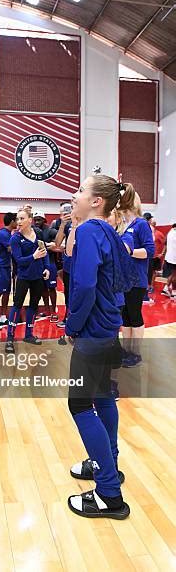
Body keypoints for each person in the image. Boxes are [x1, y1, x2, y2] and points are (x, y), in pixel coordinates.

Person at [66, 175, 135, 520]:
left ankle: (108, 492)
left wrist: (72, 325)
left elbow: (85, 284)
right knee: (103, 397)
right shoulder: (107, 230)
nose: (75, 195)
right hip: (108, 328)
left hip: (92, 331)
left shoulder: (91, 231)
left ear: (96, 201)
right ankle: (107, 464)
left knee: (79, 404)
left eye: (81, 190)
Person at [118, 187, 155, 366]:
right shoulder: (123, 225)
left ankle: (136, 353)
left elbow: (150, 251)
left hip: (137, 279)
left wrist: (130, 252)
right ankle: (126, 350)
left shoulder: (141, 224)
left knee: (134, 315)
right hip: (123, 279)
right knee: (124, 316)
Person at [5, 209, 50, 354]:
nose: (19, 222)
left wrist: (47, 267)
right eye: (17, 219)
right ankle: (10, 338)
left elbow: (44, 252)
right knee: (17, 306)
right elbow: (19, 261)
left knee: (33, 306)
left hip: (37, 277)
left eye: (22, 218)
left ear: (30, 220)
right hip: (23, 277)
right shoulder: (15, 239)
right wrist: (34, 257)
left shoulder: (39, 234)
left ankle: (29, 335)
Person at [33, 210, 60, 322]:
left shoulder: (51, 231)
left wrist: (50, 245)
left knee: (51, 288)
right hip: (39, 264)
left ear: (44, 220)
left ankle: (54, 311)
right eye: (35, 220)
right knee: (43, 288)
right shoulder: (33, 231)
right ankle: (47, 310)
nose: (37, 222)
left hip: (51, 263)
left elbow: (60, 243)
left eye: (39, 219)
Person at [54, 206, 72, 328]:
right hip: (68, 265)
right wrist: (63, 223)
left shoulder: (85, 223)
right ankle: (67, 317)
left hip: (82, 265)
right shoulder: (67, 225)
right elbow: (57, 243)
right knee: (68, 293)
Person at [161, 223, 176, 298]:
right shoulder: (174, 234)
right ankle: (173, 292)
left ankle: (166, 288)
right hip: (174, 258)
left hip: (169, 257)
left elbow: (166, 244)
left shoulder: (170, 232)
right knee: (174, 275)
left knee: (173, 274)